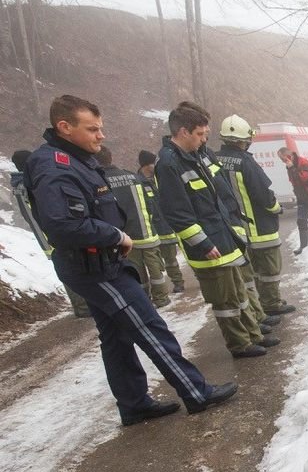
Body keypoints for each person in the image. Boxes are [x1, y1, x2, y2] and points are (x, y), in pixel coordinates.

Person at [22, 94, 237, 424]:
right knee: (149, 326)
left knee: (116, 337)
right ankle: (196, 392)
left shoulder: (73, 158)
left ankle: (134, 404)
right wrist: (116, 236)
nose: (101, 135)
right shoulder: (55, 167)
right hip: (94, 267)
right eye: (92, 129)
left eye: (101, 128)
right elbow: (64, 223)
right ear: (64, 127)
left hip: (98, 262)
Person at [155, 101, 279, 359]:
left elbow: (223, 195)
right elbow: (178, 213)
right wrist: (202, 243)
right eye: (199, 134)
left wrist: (236, 225)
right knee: (225, 301)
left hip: (225, 236)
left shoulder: (199, 155)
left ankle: (252, 335)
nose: (203, 140)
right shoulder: (168, 164)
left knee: (240, 292)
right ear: (183, 132)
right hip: (208, 246)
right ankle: (239, 344)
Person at [216, 115, 296, 317]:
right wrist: (277, 208)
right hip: (259, 228)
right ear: (244, 139)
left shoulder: (214, 160)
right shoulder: (246, 162)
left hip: (234, 229)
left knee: (249, 274)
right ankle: (271, 302)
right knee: (269, 269)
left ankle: (257, 307)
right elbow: (264, 195)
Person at [9, 149, 91, 318]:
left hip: (50, 236)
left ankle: (84, 304)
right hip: (52, 237)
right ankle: (82, 307)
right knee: (70, 270)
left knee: (71, 269)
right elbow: (35, 216)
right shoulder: (25, 185)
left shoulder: (23, 184)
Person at [95, 146, 170, 308]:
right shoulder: (133, 177)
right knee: (155, 268)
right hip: (146, 231)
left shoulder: (100, 182)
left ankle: (145, 300)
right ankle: (162, 299)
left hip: (125, 237)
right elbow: (150, 203)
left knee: (137, 271)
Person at [138, 149, 186, 294]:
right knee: (162, 260)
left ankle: (178, 282)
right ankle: (169, 285)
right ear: (146, 165)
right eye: (153, 164)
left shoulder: (160, 177)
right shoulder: (138, 181)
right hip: (154, 227)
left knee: (172, 257)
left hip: (170, 223)